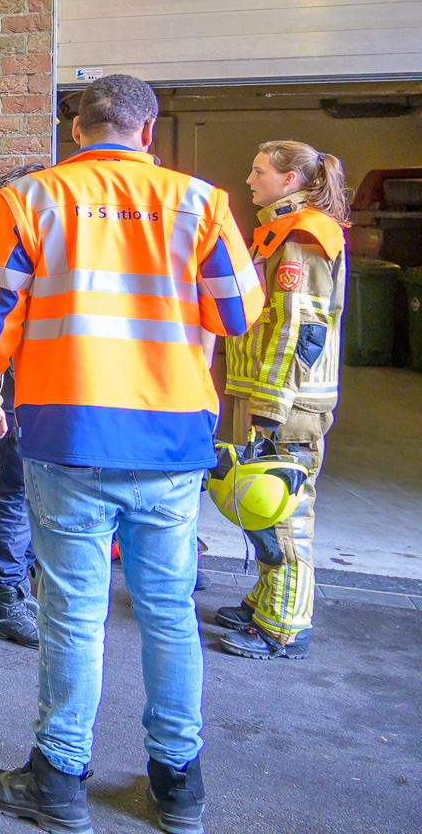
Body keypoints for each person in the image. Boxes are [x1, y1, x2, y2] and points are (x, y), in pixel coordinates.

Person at [0, 74, 262, 834]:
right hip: (172, 440)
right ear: (147, 134)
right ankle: (177, 786)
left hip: (71, 437)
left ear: (79, 129)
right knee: (166, 616)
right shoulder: (203, 203)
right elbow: (237, 310)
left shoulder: (31, 201)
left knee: (73, 616)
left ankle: (58, 778)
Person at [213, 141, 350, 660]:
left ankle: (285, 625)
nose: (250, 180)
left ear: (290, 180)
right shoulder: (278, 231)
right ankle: (268, 598)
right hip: (267, 401)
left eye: (259, 171)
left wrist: (271, 409)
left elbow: (300, 330)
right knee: (262, 505)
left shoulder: (304, 236)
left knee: (286, 513)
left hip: (289, 407)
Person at [0, 164, 48, 649]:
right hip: (19, 387)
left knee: (33, 494)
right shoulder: (4, 241)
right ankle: (3, 595)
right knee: (19, 491)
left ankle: (13, 586)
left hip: (46, 385)